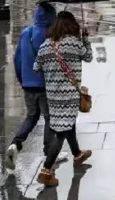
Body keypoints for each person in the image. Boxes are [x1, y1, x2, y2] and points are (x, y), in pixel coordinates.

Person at [33, 11, 94, 187]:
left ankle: (77, 154)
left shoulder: (46, 45)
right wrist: (86, 38)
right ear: (71, 25)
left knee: (67, 124)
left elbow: (36, 67)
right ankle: (46, 170)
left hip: (52, 96)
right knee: (61, 132)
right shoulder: (74, 43)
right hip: (69, 95)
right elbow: (88, 57)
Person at [5, 2, 59, 171]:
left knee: (31, 117)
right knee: (50, 118)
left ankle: (16, 143)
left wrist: (23, 80)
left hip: (28, 84)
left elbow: (17, 59)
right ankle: (49, 152)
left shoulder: (26, 33)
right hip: (44, 85)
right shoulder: (50, 36)